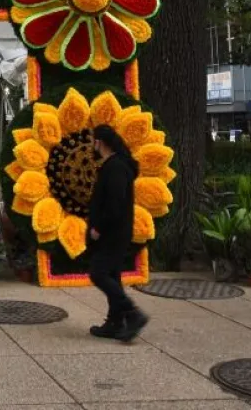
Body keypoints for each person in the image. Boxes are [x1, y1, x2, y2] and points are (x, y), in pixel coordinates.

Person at [88, 124, 149, 341]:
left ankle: (132, 313)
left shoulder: (115, 167)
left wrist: (98, 228)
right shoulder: (116, 165)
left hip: (112, 233)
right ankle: (115, 321)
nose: (92, 145)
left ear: (100, 142)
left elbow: (114, 204)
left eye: (94, 141)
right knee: (112, 274)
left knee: (99, 272)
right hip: (116, 231)